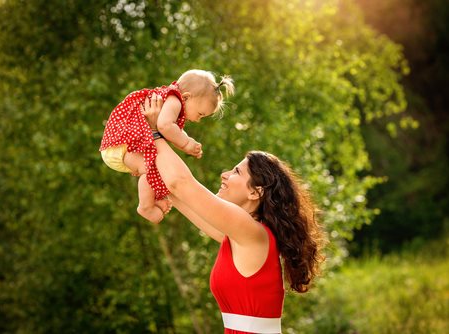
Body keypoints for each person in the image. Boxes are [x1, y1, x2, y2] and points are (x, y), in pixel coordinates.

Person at [142, 95, 326, 333]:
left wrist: (157, 131)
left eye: (236, 172)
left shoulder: (250, 232)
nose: (225, 174)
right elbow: (177, 193)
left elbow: (180, 183)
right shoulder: (240, 236)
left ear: (255, 192)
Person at [99, 69, 234, 224]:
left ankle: (155, 198)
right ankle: (146, 207)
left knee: (159, 168)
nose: (198, 120)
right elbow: (164, 126)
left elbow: (169, 130)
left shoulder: (171, 100)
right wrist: (187, 143)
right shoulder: (174, 100)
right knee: (149, 169)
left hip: (123, 145)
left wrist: (185, 144)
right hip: (120, 145)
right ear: (186, 97)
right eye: (200, 114)